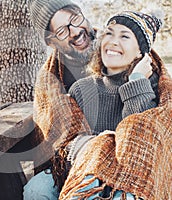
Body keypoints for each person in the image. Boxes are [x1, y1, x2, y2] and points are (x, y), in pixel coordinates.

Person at [59, 11, 172, 200]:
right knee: (37, 190)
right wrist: (98, 145)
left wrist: (135, 81)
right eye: (109, 33)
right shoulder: (83, 88)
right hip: (87, 173)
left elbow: (141, 147)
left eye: (124, 36)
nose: (112, 41)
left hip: (133, 183)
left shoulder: (155, 91)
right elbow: (66, 143)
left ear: (140, 52)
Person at [24, 0, 97, 199]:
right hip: (73, 161)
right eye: (62, 31)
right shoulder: (49, 79)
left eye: (75, 19)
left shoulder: (122, 46)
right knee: (36, 191)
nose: (75, 32)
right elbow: (57, 140)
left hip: (125, 154)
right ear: (51, 42)